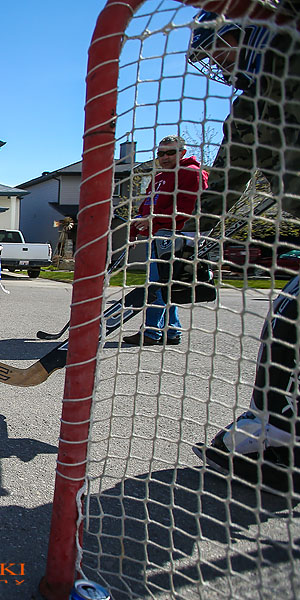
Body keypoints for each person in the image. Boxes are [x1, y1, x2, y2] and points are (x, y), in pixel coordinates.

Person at [186, 8, 300, 491]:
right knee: (289, 313)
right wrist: (191, 246)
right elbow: (225, 183)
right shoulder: (250, 107)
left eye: (219, 47)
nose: (218, 62)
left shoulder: (289, 48)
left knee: (290, 314)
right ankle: (276, 430)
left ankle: (277, 434)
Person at [122, 135, 208, 346]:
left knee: (157, 286)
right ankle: (172, 331)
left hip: (177, 236)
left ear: (182, 153)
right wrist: (133, 231)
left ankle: (151, 333)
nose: (165, 157)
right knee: (165, 285)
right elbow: (147, 208)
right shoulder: (159, 177)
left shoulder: (192, 174)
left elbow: (191, 207)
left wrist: (157, 218)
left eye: (171, 152)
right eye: (161, 153)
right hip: (157, 236)